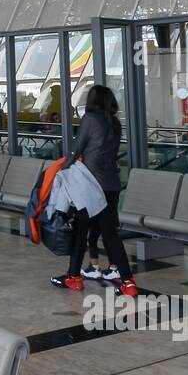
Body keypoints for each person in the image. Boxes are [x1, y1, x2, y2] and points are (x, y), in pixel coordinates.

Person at [51, 84, 137, 297]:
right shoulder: (115, 123)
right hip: (112, 185)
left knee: (81, 231)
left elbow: (77, 147)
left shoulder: (90, 119)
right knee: (110, 235)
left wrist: (62, 169)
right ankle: (128, 283)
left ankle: (73, 277)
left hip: (90, 186)